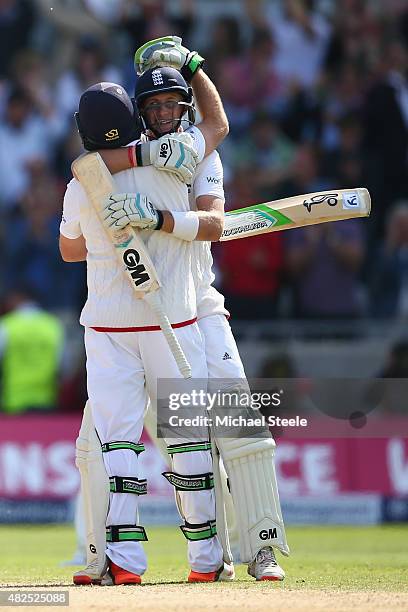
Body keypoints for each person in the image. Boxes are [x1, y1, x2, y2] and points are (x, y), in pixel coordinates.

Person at [74, 36, 289, 584]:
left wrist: (159, 220)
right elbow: (92, 178)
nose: (166, 114)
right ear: (141, 114)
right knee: (99, 443)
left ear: (185, 108)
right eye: (156, 107)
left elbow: (215, 224)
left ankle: (260, 549)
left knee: (236, 428)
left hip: (199, 306)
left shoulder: (195, 152)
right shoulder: (128, 162)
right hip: (143, 309)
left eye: (175, 104)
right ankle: (102, 555)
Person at [60, 78, 230, 585]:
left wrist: (104, 230)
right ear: (135, 117)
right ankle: (205, 561)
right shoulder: (173, 166)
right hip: (174, 322)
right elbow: (217, 134)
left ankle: (125, 564)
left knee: (117, 445)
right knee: (188, 439)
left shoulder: (79, 183)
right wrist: (157, 218)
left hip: (109, 326)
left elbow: (69, 250)